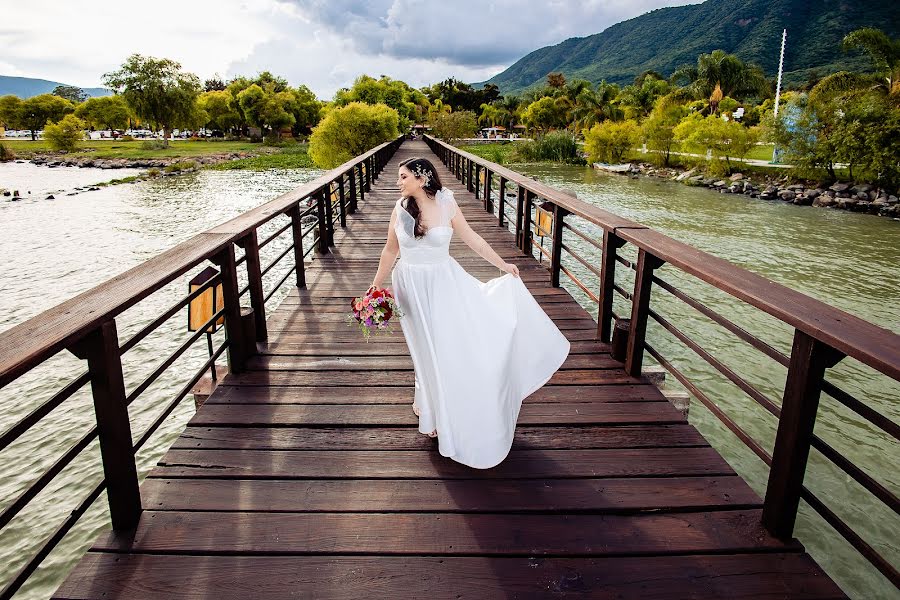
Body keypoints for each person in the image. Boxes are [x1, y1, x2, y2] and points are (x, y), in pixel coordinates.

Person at [368, 157, 570, 469]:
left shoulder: (447, 202)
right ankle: (428, 405)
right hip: (410, 284)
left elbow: (471, 237)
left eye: (403, 176)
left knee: (446, 344)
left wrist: (502, 264)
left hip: (443, 281)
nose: (399, 182)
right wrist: (375, 286)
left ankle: (446, 405)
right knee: (423, 345)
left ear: (422, 178)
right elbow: (390, 250)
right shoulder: (400, 207)